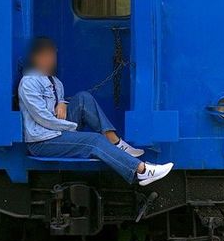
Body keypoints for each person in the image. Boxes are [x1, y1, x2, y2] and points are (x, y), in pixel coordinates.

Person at [19, 36, 173, 186]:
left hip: (58, 133)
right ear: (35, 58)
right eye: (46, 55)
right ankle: (141, 171)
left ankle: (115, 142)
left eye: (52, 55)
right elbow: (42, 118)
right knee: (94, 141)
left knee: (83, 98)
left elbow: (57, 102)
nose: (51, 59)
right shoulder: (29, 82)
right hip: (43, 141)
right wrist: (71, 128)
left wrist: (62, 102)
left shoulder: (55, 81)